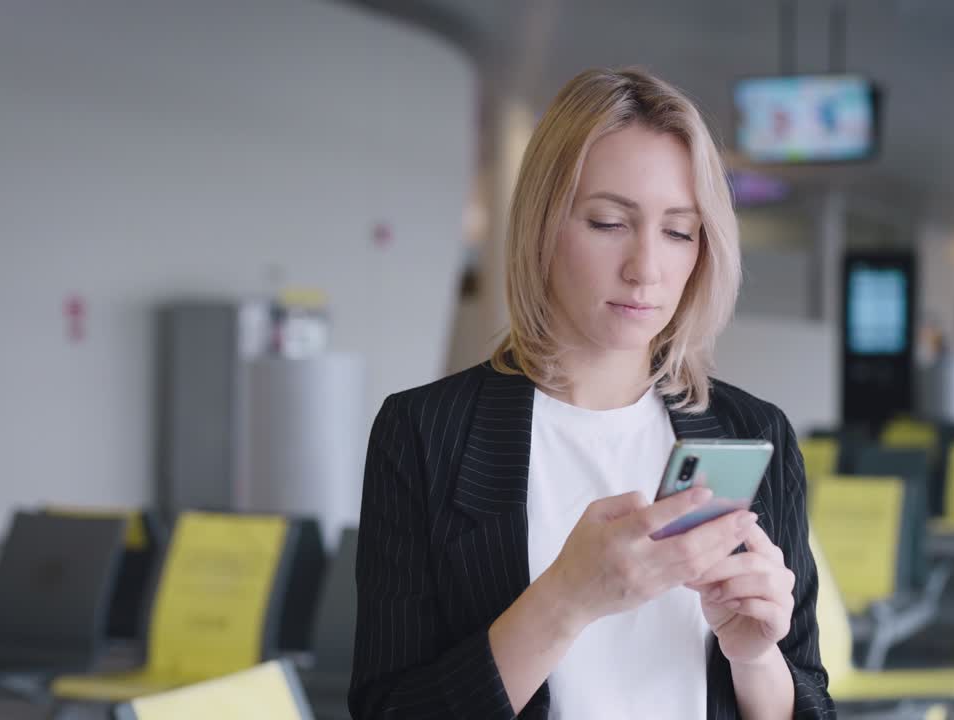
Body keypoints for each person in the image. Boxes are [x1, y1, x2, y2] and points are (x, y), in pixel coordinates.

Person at [349, 67, 837, 719]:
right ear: (543, 225)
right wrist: (566, 600)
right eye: (608, 222)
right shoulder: (423, 434)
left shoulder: (753, 431)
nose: (645, 269)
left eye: (679, 231)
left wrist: (754, 657)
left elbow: (809, 700)